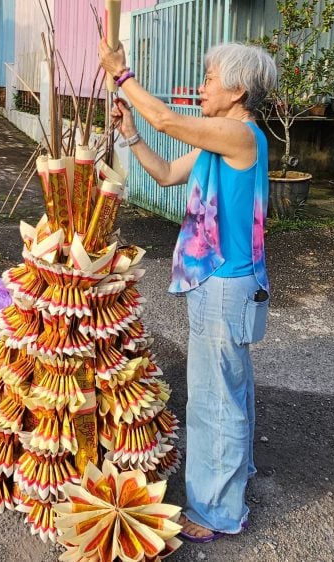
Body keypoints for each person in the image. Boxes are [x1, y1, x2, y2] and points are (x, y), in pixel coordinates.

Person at [98, 39, 277, 544]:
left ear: (239, 89)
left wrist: (121, 75)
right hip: (218, 283)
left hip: (225, 285)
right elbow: (167, 173)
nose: (201, 87)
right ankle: (232, 481)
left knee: (213, 400)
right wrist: (131, 135)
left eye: (210, 79)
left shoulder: (239, 135)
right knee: (230, 388)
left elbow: (167, 120)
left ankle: (218, 512)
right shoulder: (220, 139)